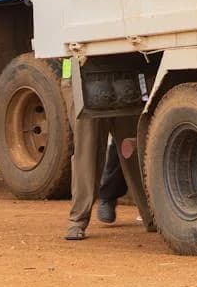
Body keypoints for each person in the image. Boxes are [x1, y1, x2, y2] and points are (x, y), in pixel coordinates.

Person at [63, 68, 150, 240]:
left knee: (135, 150)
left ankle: (153, 217)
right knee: (87, 153)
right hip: (80, 75)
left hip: (122, 74)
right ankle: (77, 220)